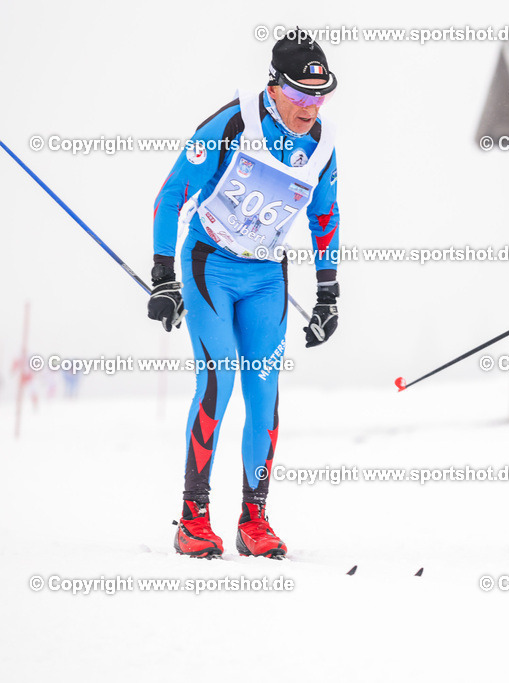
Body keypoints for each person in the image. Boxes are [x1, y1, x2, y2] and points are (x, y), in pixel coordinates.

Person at [148, 32, 342, 558]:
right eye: (299, 96)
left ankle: (254, 519)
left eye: (318, 98)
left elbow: (326, 218)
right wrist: (163, 274)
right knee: (219, 380)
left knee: (264, 394)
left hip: (265, 277)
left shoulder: (320, 147)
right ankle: (193, 518)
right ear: (275, 87)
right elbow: (172, 196)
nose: (309, 109)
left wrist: (329, 294)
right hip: (210, 264)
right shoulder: (232, 124)